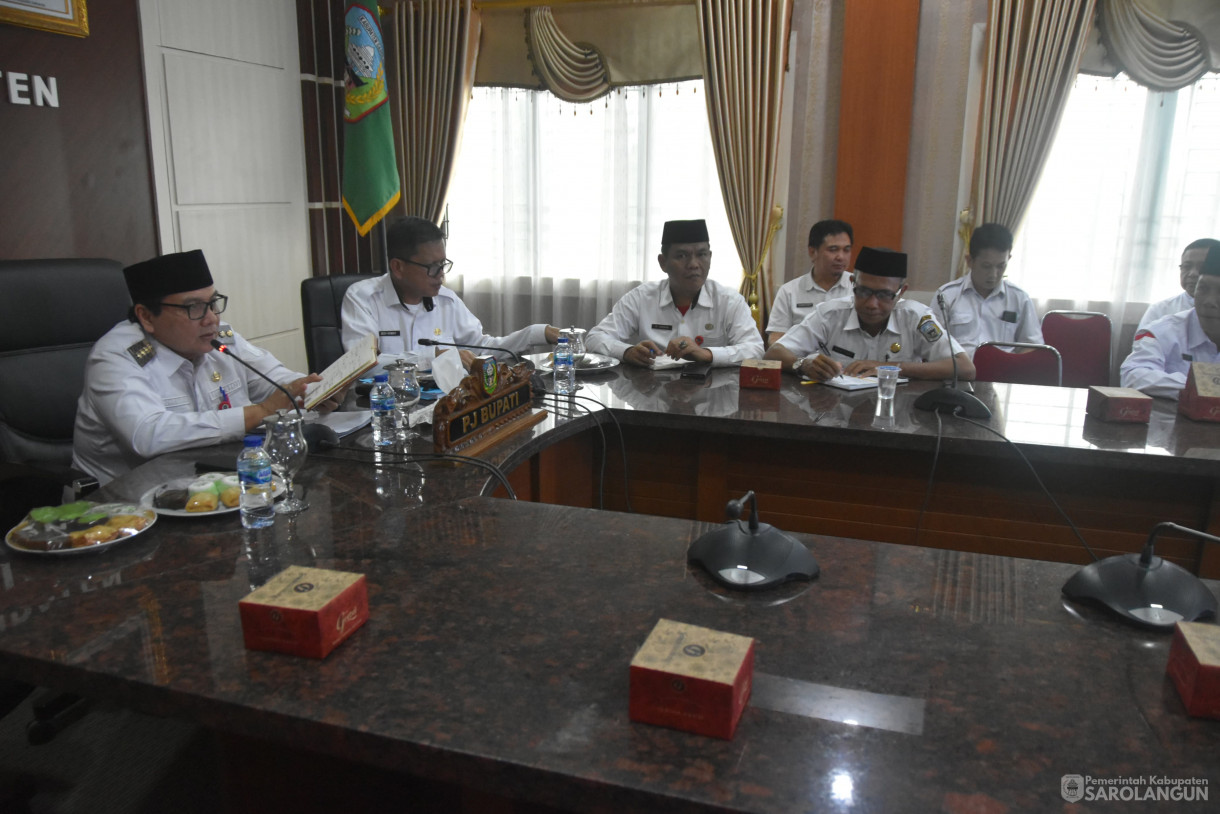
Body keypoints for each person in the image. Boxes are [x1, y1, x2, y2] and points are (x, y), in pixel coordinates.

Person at [73, 250, 338, 485]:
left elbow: (273, 380)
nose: (212, 319)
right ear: (146, 316)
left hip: (214, 484)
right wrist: (259, 412)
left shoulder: (219, 339)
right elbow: (147, 435)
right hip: (123, 508)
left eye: (212, 303)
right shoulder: (115, 357)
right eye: (194, 308)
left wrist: (310, 388)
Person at [341, 215, 560, 369]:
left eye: (443, 263)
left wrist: (536, 333)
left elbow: (481, 348)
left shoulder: (446, 300)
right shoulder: (363, 299)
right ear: (398, 267)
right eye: (432, 267)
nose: (441, 275)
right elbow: (363, 365)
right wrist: (433, 357)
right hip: (383, 413)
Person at [764, 246, 975, 382]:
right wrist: (803, 364)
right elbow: (774, 353)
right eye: (863, 291)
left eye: (884, 295)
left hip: (898, 414)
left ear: (901, 292)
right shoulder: (830, 314)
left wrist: (889, 368)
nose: (872, 304)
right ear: (852, 284)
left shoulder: (915, 317)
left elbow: (965, 368)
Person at [585, 219, 763, 367]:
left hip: (711, 396)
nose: (694, 264)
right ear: (663, 262)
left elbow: (755, 350)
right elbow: (595, 338)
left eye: (702, 254)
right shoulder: (641, 298)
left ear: (710, 257)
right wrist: (627, 352)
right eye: (682, 256)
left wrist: (707, 354)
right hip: (652, 394)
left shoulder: (729, 301)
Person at [1121, 244, 1220, 399]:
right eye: (1203, 289)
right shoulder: (1163, 332)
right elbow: (1133, 375)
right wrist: (1203, 386)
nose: (1209, 301)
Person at [930, 222, 1042, 357]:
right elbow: (932, 345)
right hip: (957, 374)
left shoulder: (1019, 298)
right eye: (986, 266)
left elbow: (1032, 346)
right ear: (969, 261)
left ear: (1009, 259)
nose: (993, 274)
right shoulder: (946, 296)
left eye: (1001, 266)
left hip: (1002, 374)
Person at [765, 219, 854, 347]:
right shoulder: (789, 291)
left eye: (846, 250)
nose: (841, 257)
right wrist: (801, 362)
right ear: (812, 252)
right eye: (833, 250)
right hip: (800, 363)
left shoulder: (859, 289)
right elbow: (776, 339)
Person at [1135, 238, 1220, 337]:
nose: (1192, 274)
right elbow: (1142, 347)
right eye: (1187, 266)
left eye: (1202, 267)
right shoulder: (1160, 310)